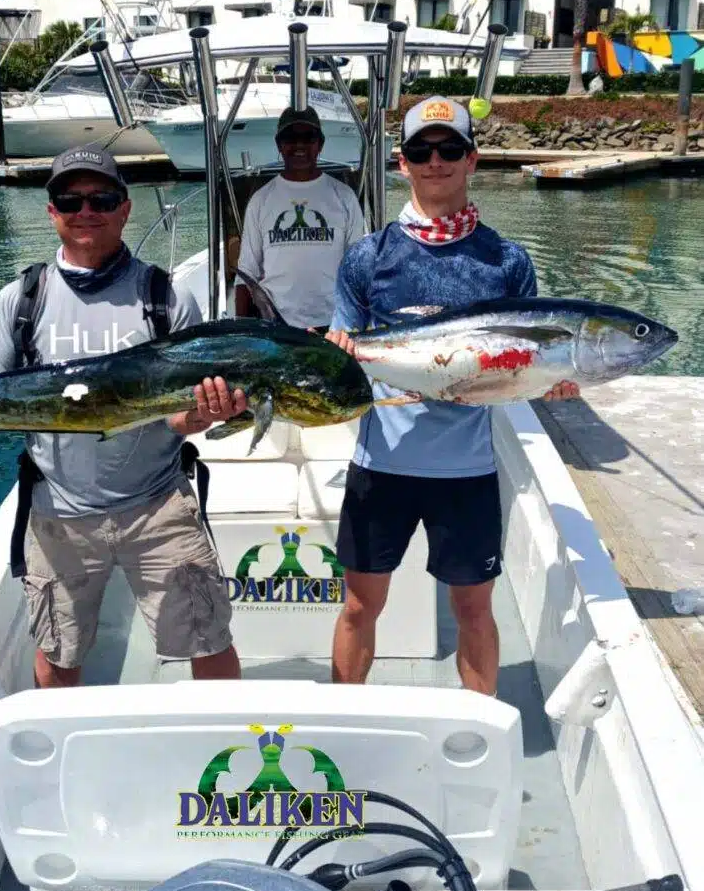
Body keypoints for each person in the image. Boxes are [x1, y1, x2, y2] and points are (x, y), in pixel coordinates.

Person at [0, 145, 246, 688]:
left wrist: (205, 415)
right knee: (58, 653)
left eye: (102, 198)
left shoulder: (166, 297)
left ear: (125, 208)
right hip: (58, 511)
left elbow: (177, 420)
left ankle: (221, 751)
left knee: (207, 640)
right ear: (51, 211)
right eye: (70, 199)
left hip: (158, 505)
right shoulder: (20, 299)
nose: (86, 210)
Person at [326, 96, 579, 696]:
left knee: (473, 610)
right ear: (401, 163)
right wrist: (337, 352)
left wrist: (551, 380)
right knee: (360, 608)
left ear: (473, 159)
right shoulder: (367, 256)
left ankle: (478, 734)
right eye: (421, 150)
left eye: (448, 149)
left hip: (466, 471)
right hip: (379, 465)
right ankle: (345, 721)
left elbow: (519, 365)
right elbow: (349, 355)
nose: (434, 161)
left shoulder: (508, 261)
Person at [235, 106, 366, 331]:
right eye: (290, 137)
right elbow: (246, 271)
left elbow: (358, 269)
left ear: (320, 144)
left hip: (335, 326)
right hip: (275, 325)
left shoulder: (344, 196)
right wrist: (241, 329)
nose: (299, 145)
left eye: (308, 137)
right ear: (279, 144)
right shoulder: (260, 199)